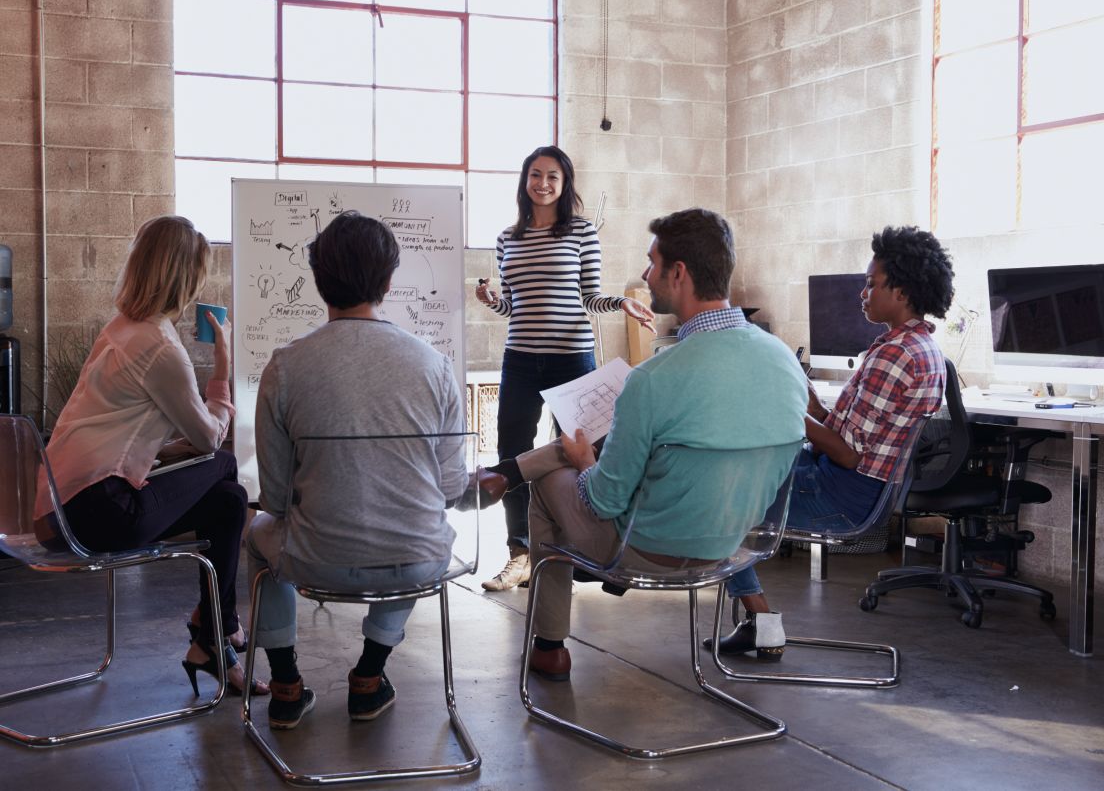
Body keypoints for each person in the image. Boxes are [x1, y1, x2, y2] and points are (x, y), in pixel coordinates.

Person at [479, 207, 808, 680]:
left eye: (651, 263)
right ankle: (506, 472)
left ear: (678, 274)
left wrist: (585, 461)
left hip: (651, 550)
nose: (644, 273)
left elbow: (602, 500)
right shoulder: (784, 361)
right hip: (736, 546)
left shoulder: (654, 378)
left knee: (552, 484)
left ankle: (550, 646)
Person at [247, 210, 467, 731]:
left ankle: (284, 686)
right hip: (414, 562)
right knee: (421, 533)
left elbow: (275, 500)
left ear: (319, 282)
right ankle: (369, 676)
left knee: (254, 535)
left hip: (314, 561)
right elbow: (452, 488)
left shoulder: (284, 366)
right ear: (389, 282)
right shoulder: (434, 366)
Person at [33, 215, 265, 696]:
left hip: (56, 509)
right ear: (186, 279)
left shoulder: (119, 330)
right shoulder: (161, 347)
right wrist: (222, 369)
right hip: (99, 514)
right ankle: (217, 629)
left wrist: (165, 453)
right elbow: (208, 438)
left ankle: (212, 640)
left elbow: (117, 429)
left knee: (227, 502)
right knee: (224, 466)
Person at [707, 225, 955, 662]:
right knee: (734, 471)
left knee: (723, 498)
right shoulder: (914, 346)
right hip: (848, 481)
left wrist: (785, 409)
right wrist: (804, 397)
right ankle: (756, 623)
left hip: (843, 492)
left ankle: (761, 623)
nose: (863, 293)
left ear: (901, 291)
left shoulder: (895, 354)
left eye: (871, 284)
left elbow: (846, 452)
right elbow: (842, 431)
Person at [474, 146, 655, 592]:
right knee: (511, 453)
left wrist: (621, 302)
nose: (543, 184)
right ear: (525, 180)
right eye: (536, 175)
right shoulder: (507, 238)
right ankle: (518, 554)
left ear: (564, 183)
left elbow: (590, 296)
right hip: (520, 358)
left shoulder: (580, 231)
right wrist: (493, 301)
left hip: (572, 356)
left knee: (583, 450)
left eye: (552, 177)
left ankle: (590, 547)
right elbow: (514, 306)